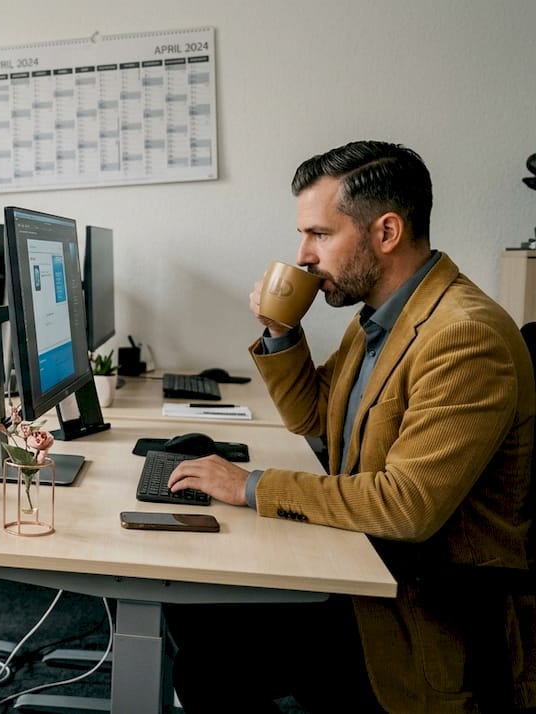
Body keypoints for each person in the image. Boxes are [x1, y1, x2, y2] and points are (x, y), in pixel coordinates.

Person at [163, 141, 536, 713]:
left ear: (386, 232)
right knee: (196, 604)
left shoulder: (464, 336)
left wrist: (250, 486)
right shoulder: (380, 318)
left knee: (213, 653)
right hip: (370, 566)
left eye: (319, 234)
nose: (303, 256)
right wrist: (281, 331)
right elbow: (316, 419)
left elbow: (407, 504)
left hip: (424, 609)